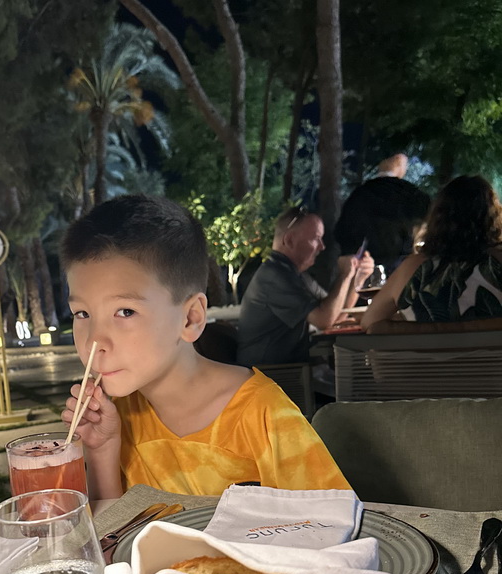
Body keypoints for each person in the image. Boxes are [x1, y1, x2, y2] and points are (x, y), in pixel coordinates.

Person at [59, 194, 350, 498]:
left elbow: (333, 523)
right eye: (82, 313)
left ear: (190, 318)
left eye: (125, 312)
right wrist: (102, 450)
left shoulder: (259, 413)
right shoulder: (115, 415)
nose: (94, 340)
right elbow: (111, 534)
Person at [236, 206, 374, 367]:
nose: (322, 247)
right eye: (316, 238)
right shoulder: (274, 276)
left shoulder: (295, 275)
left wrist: (358, 278)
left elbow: (335, 316)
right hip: (267, 378)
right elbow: (325, 320)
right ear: (289, 240)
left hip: (287, 374)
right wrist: (344, 275)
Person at [361, 174, 502, 330]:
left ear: (438, 218)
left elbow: (369, 323)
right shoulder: (498, 263)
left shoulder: (412, 269)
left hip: (426, 354)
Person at [334, 153, 431, 273]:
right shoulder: (413, 196)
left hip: (360, 268)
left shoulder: (357, 196)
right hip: (398, 271)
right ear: (401, 168)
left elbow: (340, 232)